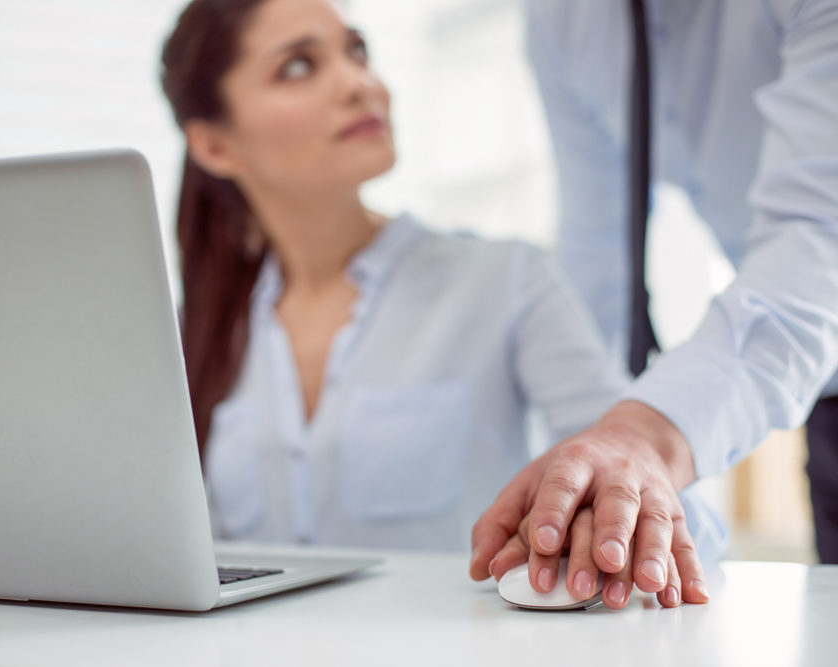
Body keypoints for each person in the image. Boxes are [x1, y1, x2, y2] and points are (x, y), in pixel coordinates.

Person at [159, 0, 722, 608]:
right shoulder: (201, 332)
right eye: (298, 66)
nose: (359, 84)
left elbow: (654, 491)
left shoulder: (507, 281)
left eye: (357, 51)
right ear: (215, 146)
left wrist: (603, 522)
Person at [469, 0, 838, 603]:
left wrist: (647, 439)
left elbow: (822, 234)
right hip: (826, 393)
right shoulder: (563, 20)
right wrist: (598, 486)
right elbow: (599, 259)